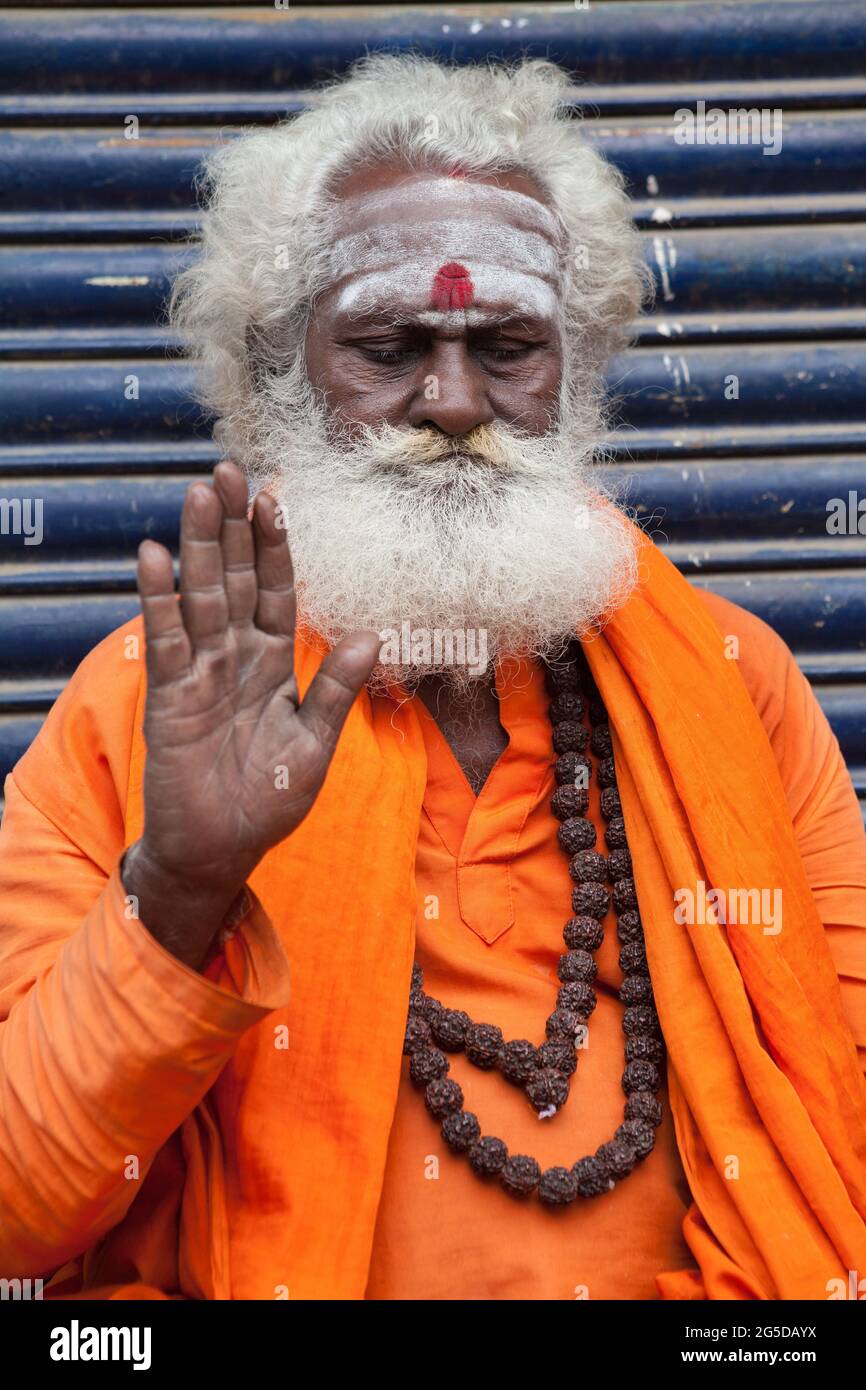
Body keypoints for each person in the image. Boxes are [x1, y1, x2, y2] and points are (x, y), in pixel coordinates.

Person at [1, 54, 865, 1302]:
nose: (453, 402)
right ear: (276, 377)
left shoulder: (731, 683)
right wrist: (179, 891)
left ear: (574, 370)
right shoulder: (140, 703)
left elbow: (836, 1112)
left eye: (506, 345)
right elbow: (21, 1208)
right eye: (387, 343)